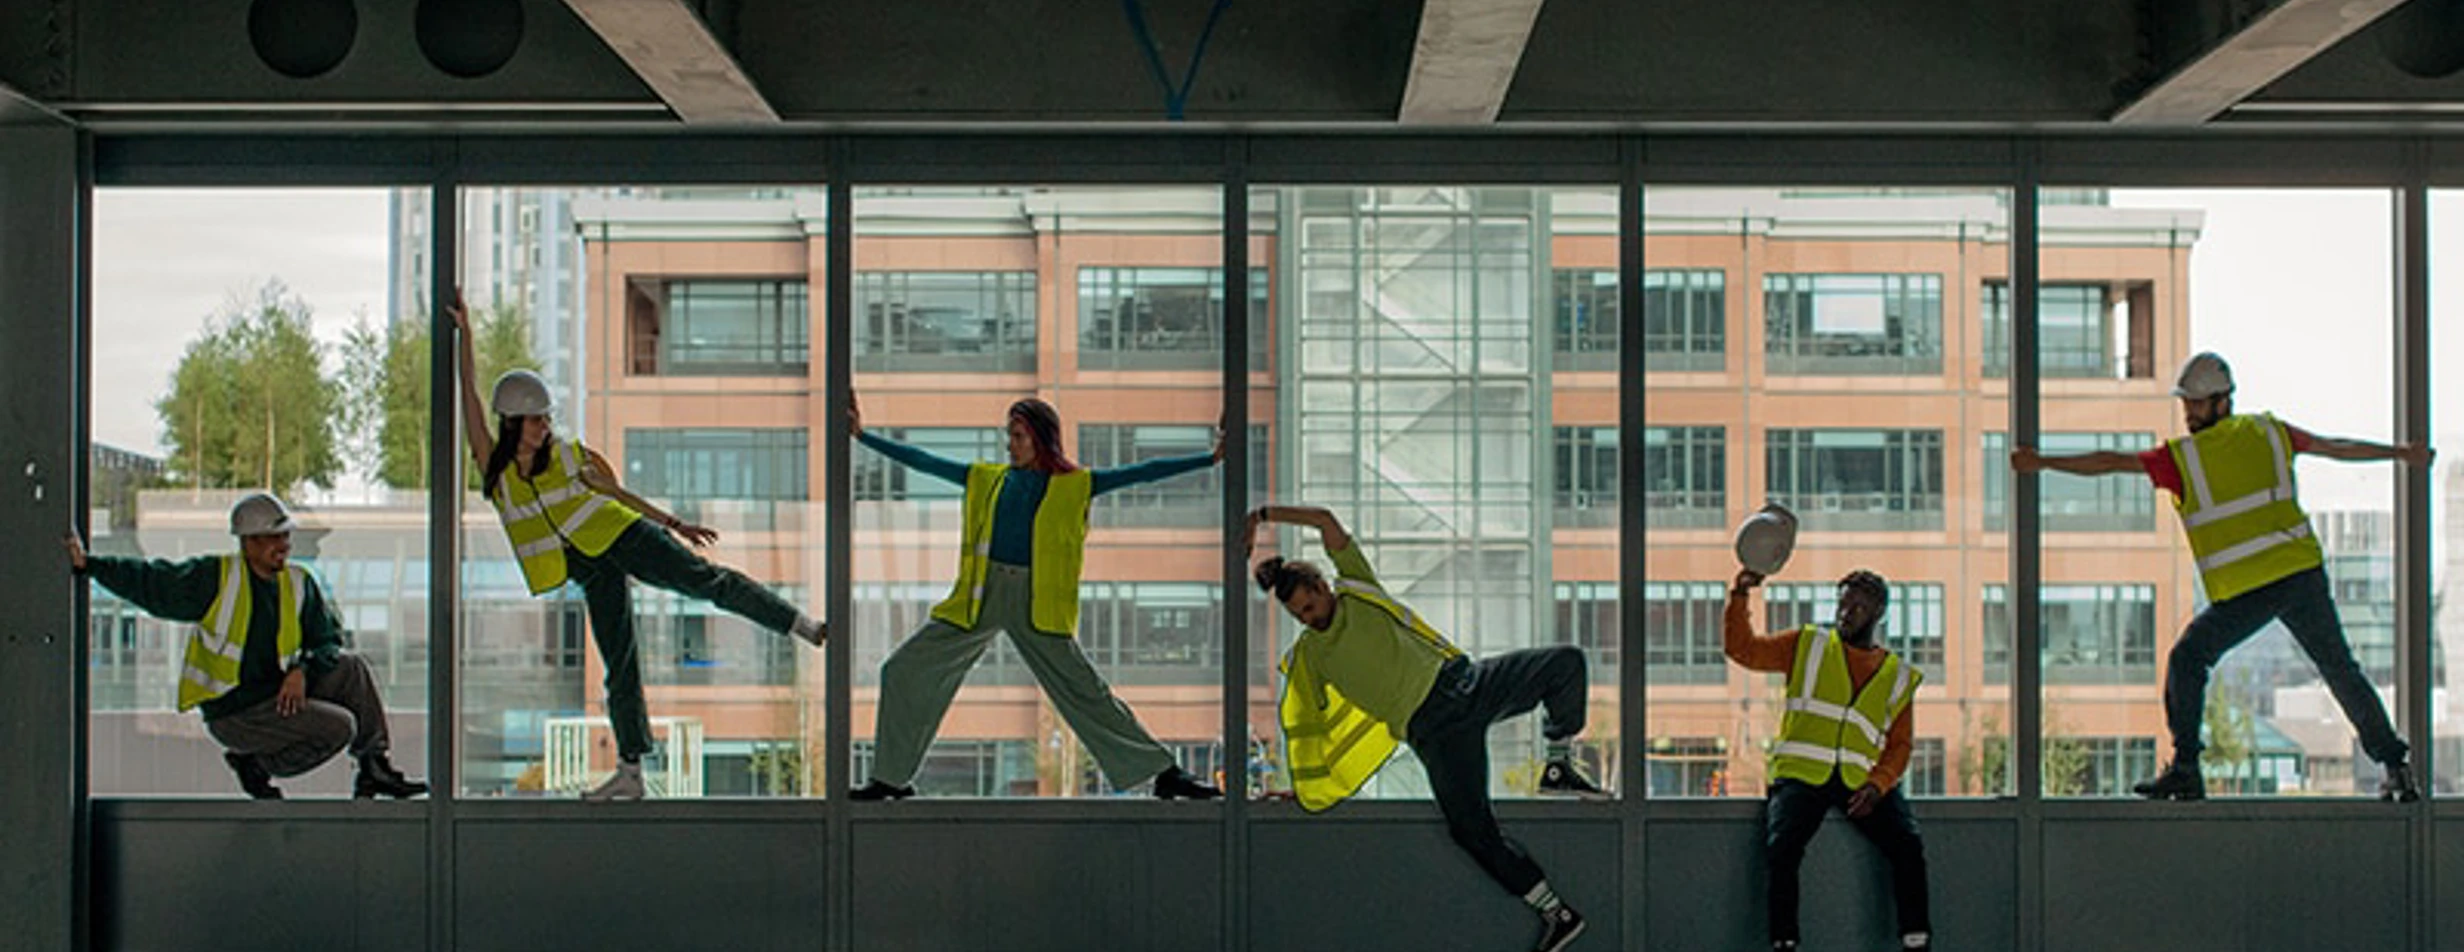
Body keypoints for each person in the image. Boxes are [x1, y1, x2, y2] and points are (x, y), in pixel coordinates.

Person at [449, 291, 825, 801]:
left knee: (706, 583)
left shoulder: (568, 454)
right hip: (589, 569)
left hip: (625, 536)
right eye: (536, 420)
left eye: (546, 418)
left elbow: (615, 493)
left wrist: (673, 524)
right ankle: (631, 771)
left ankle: (800, 623)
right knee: (619, 665)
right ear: (513, 422)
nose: (545, 426)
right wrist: (466, 335)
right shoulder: (497, 475)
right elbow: (470, 399)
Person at [2012, 351, 2427, 802]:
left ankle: (2186, 769)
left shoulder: (2187, 458)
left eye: (2196, 404)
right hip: (2298, 576)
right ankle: (2396, 768)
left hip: (2259, 586)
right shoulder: (2267, 434)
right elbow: (2336, 447)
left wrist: (2042, 462)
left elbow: (2109, 462)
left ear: (2223, 401)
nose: (2189, 413)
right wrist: (2402, 454)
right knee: (2338, 668)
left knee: (2190, 658)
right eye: (2186, 404)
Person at [1249, 504, 1601, 952]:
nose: (1309, 618)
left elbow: (1324, 520)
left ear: (1321, 586)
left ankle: (1557, 765)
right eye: (1299, 616)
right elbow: (1309, 729)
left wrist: (1262, 515)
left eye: (1309, 606)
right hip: (1434, 734)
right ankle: (1555, 912)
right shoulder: (1311, 657)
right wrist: (1304, 789)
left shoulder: (1357, 588)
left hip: (1463, 683)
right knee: (1469, 829)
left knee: (1565, 663)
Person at [847, 392, 1224, 800]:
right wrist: (862, 436)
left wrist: (1210, 459)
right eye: (1008, 436)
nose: (1010, 445)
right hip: (981, 597)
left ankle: (1165, 773)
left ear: (1041, 439)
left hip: (1037, 605)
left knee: (1085, 691)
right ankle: (891, 778)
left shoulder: (1076, 485)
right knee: (902, 670)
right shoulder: (987, 478)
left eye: (1019, 436)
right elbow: (923, 460)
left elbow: (1145, 472)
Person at [64, 494, 427, 801]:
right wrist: (90, 565)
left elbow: (327, 640)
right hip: (234, 712)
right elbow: (152, 582)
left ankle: (374, 768)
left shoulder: (299, 583)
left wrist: (303, 670)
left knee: (352, 668)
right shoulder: (216, 579)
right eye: (273, 537)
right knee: (339, 727)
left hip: (278, 696)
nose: (284, 545)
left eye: (285, 535)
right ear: (248, 542)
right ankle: (254, 764)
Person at [1726, 568, 1930, 952]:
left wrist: (1877, 786)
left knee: (1907, 845)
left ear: (1879, 613)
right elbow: (1743, 649)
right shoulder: (1807, 645)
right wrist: (1740, 595)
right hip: (1801, 775)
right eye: (1842, 603)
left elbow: (1900, 746)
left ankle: (1916, 940)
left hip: (1862, 782)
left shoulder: (1897, 676)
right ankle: (1784, 943)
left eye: (1858, 606)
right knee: (1782, 848)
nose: (1845, 613)